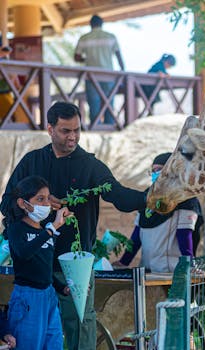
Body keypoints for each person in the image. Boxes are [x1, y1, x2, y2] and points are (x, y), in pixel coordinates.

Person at [0, 101, 147, 350]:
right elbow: (7, 204)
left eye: (77, 130)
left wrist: (149, 199)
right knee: (31, 334)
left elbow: (119, 196)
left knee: (79, 323)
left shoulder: (90, 166)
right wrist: (33, 213)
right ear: (50, 129)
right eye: (66, 131)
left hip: (74, 265)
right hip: (34, 267)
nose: (73, 136)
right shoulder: (32, 162)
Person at [1, 175, 72, 350]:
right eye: (40, 199)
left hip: (48, 296)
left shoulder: (44, 231)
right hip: (28, 298)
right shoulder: (16, 229)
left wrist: (62, 287)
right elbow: (24, 253)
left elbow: (43, 269)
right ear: (23, 203)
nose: (46, 204)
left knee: (54, 344)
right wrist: (51, 229)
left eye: (48, 198)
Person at [113, 152, 204, 273]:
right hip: (147, 270)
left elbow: (184, 234)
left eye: (159, 169)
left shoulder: (184, 198)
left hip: (171, 272)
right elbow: (137, 235)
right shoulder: (147, 197)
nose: (155, 173)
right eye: (153, 170)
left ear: (172, 170)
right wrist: (124, 262)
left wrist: (190, 265)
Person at [74, 14, 125, 125]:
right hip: (108, 75)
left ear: (90, 24)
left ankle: (95, 126)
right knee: (109, 101)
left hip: (91, 75)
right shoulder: (111, 37)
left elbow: (76, 57)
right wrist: (122, 73)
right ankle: (109, 126)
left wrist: (87, 59)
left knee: (93, 102)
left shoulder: (84, 38)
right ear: (102, 24)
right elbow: (118, 56)